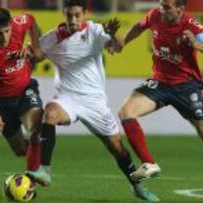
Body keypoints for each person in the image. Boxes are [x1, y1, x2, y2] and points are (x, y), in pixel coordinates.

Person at [116, 0, 203, 201]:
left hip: (186, 88)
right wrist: (123, 43)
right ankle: (149, 163)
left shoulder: (191, 25)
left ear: (180, 9)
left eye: (167, 7)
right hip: (159, 83)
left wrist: (196, 43)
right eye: (161, 5)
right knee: (125, 112)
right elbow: (138, 27)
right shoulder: (154, 16)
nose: (162, 10)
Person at [26, 0, 160, 202]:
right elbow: (36, 56)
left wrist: (113, 33)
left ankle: (138, 187)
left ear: (85, 13)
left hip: (95, 101)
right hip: (67, 97)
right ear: (64, 14)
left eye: (77, 15)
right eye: (70, 15)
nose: (73, 19)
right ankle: (45, 170)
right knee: (50, 112)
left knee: (117, 148)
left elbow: (119, 46)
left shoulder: (95, 31)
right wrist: (31, 33)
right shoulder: (52, 38)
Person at [0, 8, 44, 172]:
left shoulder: (18, 25)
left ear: (11, 26)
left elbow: (31, 19)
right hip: (1, 102)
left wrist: (35, 46)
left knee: (35, 127)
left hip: (25, 89)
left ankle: (34, 177)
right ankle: (35, 155)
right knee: (20, 150)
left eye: (7, 31)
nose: (4, 37)